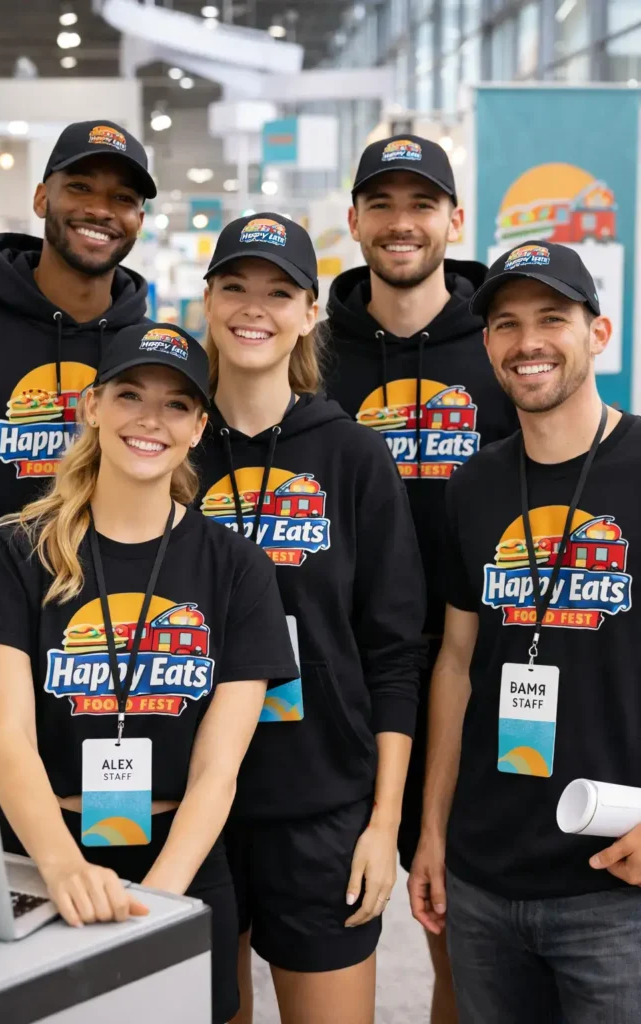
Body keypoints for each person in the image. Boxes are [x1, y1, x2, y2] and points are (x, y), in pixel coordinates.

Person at [0, 323, 299, 1024]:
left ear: (199, 426)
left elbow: (218, 769)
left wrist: (162, 904)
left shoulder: (239, 569)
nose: (151, 419)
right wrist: (62, 867)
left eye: (176, 404)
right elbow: (7, 740)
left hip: (183, 856)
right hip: (40, 854)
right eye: (130, 395)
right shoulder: (12, 555)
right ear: (92, 407)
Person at [195, 212, 427, 1024]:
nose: (253, 308)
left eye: (278, 292)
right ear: (207, 301)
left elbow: (394, 653)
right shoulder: (168, 449)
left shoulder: (354, 457)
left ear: (307, 312)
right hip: (188, 809)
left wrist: (381, 824)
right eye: (234, 287)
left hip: (320, 807)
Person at [411, 240, 641, 1023]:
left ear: (598, 333)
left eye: (551, 318)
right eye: (505, 324)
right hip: (482, 877)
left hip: (613, 882)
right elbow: (455, 663)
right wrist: (432, 833)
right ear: (486, 347)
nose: (527, 341)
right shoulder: (473, 486)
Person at [323, 133, 517, 1022]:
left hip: (471, 676)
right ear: (355, 219)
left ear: (453, 219)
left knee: (459, 943)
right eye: (383, 205)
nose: (402, 225)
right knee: (311, 915)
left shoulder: (503, 356)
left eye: (421, 205)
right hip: (337, 671)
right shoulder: (314, 355)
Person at [0, 119, 154, 771]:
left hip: (113, 676)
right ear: (42, 199)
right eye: (81, 187)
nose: (101, 210)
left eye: (123, 198)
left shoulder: (154, 357)